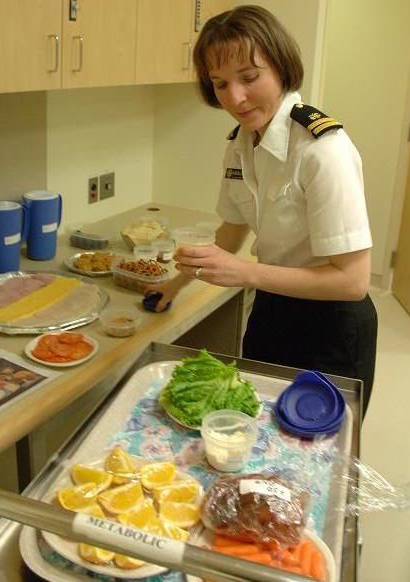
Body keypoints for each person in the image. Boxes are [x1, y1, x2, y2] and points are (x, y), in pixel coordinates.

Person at [145, 5, 377, 416]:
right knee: (256, 428)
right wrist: (174, 285)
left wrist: (246, 273)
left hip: (333, 326)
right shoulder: (240, 143)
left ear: (282, 67)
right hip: (273, 306)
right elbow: (231, 232)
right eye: (219, 84)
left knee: (313, 457)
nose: (234, 97)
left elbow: (353, 281)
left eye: (249, 78)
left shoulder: (323, 150)